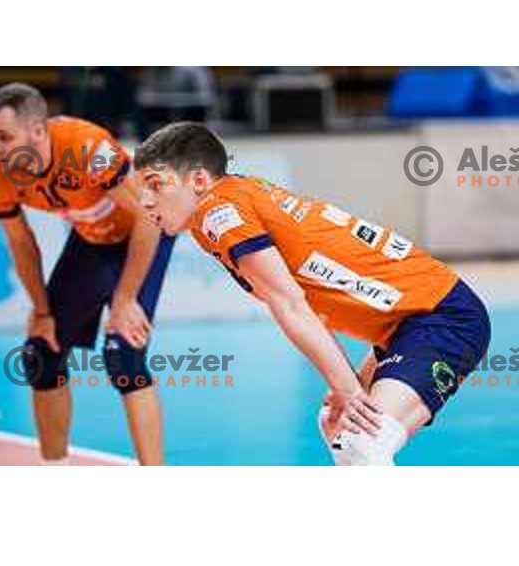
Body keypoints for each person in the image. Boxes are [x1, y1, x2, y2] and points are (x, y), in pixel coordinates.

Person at [133, 121, 491, 466]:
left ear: (198, 180)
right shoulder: (227, 203)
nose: (145, 201)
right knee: (338, 425)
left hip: (442, 317)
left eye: (155, 185)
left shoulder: (219, 211)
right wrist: (347, 383)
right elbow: (313, 303)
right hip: (406, 322)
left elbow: (289, 303)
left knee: (363, 442)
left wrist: (349, 388)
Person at [0, 83, 175, 465]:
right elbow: (21, 243)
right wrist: (42, 311)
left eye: (4, 137)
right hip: (93, 240)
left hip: (147, 230)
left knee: (124, 356)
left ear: (37, 130)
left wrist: (125, 299)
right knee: (40, 352)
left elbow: (149, 217)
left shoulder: (88, 148)